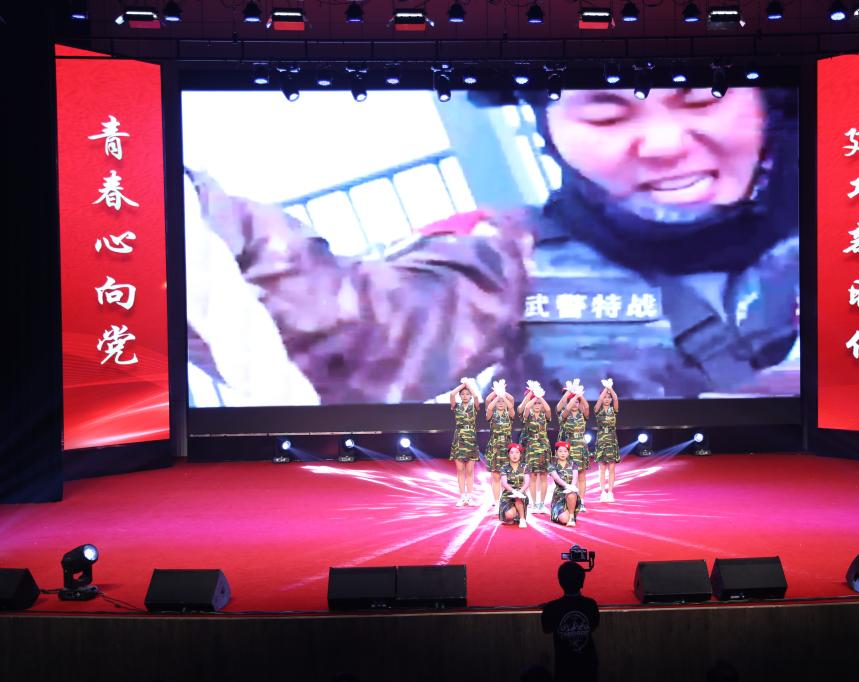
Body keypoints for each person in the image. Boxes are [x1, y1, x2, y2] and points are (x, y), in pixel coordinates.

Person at [185, 86, 799, 404]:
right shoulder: (510, 259)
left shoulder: (846, 214)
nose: (665, 143)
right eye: (606, 117)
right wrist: (181, 215)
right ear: (549, 131)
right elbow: (353, 335)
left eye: (703, 98)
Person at [541, 562, 600, 682]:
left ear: (560, 582)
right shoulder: (591, 604)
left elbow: (546, 628)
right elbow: (593, 626)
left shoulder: (552, 608)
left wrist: (547, 608)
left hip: (564, 667)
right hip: (588, 666)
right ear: (582, 582)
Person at [520, 387, 552, 513]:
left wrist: (540, 398)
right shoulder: (528, 415)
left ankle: (542, 504)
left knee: (543, 476)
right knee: (533, 476)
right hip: (532, 447)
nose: (537, 405)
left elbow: (548, 409)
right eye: (535, 403)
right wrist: (534, 397)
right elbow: (527, 408)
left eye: (539, 403)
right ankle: (534, 504)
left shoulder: (545, 416)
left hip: (544, 447)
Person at [558, 390, 590, 512]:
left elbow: (587, 407)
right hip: (569, 448)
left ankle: (581, 501)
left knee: (581, 475)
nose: (575, 404)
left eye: (577, 402)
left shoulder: (583, 414)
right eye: (573, 402)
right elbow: (566, 409)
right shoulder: (565, 415)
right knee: (569, 475)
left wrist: (580, 395)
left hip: (581, 447)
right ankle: (570, 500)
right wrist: (574, 396)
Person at [484, 379, 515, 506]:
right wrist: (497, 394)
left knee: (506, 475)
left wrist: (503, 393)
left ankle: (505, 499)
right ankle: (496, 500)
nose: (501, 403)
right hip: (495, 447)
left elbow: (511, 402)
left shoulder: (509, 414)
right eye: (498, 401)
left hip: (507, 447)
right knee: (495, 475)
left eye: (503, 401)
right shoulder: (491, 414)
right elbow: (488, 403)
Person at [449, 379, 480, 507]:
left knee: (470, 471)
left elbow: (476, 397)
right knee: (460, 470)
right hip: (459, 439)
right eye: (462, 394)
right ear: (460, 396)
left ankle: (470, 497)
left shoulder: (474, 406)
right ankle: (462, 497)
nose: (465, 396)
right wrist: (463, 384)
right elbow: (452, 394)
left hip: (471, 439)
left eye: (467, 394)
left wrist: (469, 385)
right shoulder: (456, 406)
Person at [593, 380, 620, 502]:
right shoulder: (598, 409)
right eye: (605, 397)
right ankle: (603, 492)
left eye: (609, 397)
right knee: (602, 468)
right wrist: (605, 388)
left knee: (612, 468)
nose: (607, 399)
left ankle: (610, 492)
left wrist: (610, 388)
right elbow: (599, 400)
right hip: (601, 439)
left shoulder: (614, 410)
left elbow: (616, 398)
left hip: (612, 439)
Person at [498, 443, 531, 528]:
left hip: (521, 493)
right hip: (508, 494)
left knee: (518, 497)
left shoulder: (525, 466)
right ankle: (515, 513)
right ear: (508, 454)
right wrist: (513, 491)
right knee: (510, 517)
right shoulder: (504, 467)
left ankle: (522, 519)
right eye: (512, 452)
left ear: (520, 454)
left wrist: (519, 492)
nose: (514, 455)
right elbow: (504, 483)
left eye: (517, 452)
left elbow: (527, 482)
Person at [548, 442, 579, 527]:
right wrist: (566, 486)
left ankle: (571, 516)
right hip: (559, 495)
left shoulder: (573, 463)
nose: (563, 453)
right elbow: (556, 478)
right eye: (560, 451)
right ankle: (563, 513)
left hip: (571, 493)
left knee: (571, 494)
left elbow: (575, 477)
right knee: (564, 520)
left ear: (568, 453)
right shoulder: (552, 464)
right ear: (556, 452)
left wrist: (572, 487)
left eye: (565, 451)